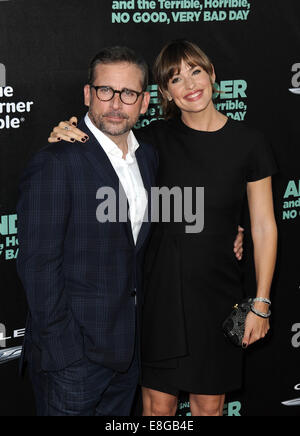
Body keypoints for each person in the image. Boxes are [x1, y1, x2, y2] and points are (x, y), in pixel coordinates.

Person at [47, 42, 258, 417]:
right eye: (175, 78)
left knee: (210, 407)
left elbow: (258, 222)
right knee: (156, 408)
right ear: (163, 95)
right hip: (159, 296)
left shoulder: (249, 141)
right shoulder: (153, 140)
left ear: (212, 75)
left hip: (220, 295)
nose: (189, 84)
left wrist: (259, 298)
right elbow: (106, 138)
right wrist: (66, 127)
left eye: (196, 71)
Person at [17, 46, 156, 416]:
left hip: (127, 353)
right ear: (87, 94)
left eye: (128, 94)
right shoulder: (57, 162)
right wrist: (66, 352)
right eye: (105, 91)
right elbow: (37, 265)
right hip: (74, 361)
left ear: (144, 102)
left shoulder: (148, 157)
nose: (115, 103)